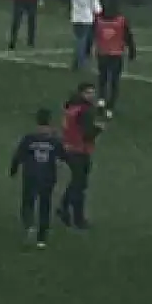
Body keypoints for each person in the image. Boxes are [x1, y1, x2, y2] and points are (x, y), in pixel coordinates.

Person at [9, 108, 64, 248]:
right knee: (45, 205)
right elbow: (64, 156)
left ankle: (29, 225)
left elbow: (18, 156)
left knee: (28, 201)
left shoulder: (29, 139)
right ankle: (42, 238)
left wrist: (13, 170)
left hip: (31, 175)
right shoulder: (54, 141)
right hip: (48, 176)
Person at [57, 82, 104, 230]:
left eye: (92, 92)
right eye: (88, 92)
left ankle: (65, 208)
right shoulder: (85, 111)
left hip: (68, 147)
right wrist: (99, 129)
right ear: (82, 93)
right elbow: (88, 135)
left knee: (77, 183)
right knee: (79, 185)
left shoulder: (71, 106)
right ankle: (77, 217)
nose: (91, 95)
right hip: (80, 150)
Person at [92, 5, 136, 117]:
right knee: (114, 82)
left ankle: (101, 99)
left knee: (102, 77)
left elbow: (92, 35)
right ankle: (110, 108)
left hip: (102, 53)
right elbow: (128, 36)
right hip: (116, 54)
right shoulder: (121, 21)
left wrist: (88, 49)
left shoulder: (98, 20)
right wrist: (132, 51)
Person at [68, 0, 100, 70]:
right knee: (83, 41)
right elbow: (96, 8)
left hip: (76, 17)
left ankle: (78, 61)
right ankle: (80, 62)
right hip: (87, 18)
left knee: (80, 39)